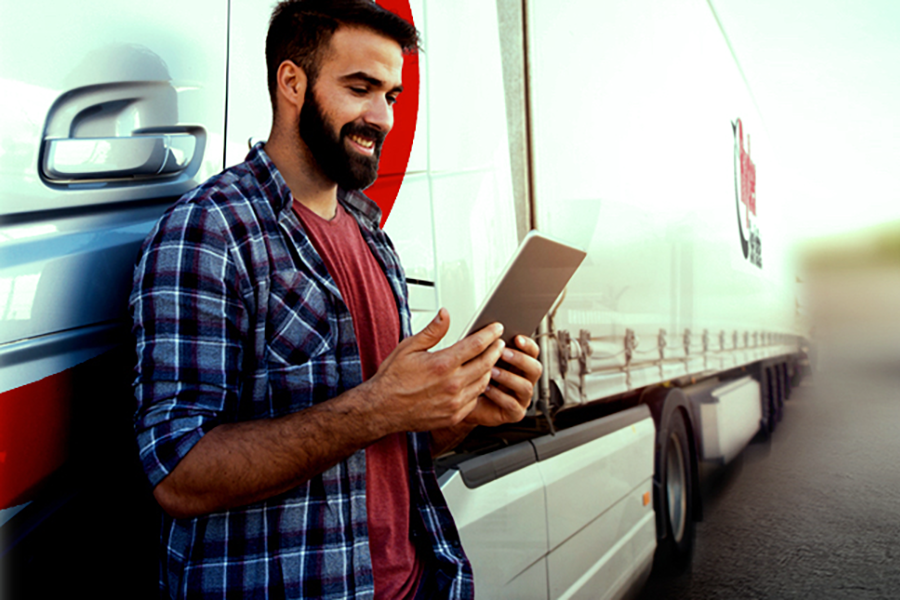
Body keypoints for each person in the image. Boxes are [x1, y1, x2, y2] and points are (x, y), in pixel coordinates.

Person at [129, 1, 542, 598]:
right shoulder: (210, 233)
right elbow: (179, 475)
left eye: (392, 96)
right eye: (360, 88)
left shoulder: (374, 238)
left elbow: (385, 445)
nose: (382, 117)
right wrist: (377, 408)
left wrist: (461, 414)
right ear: (291, 82)